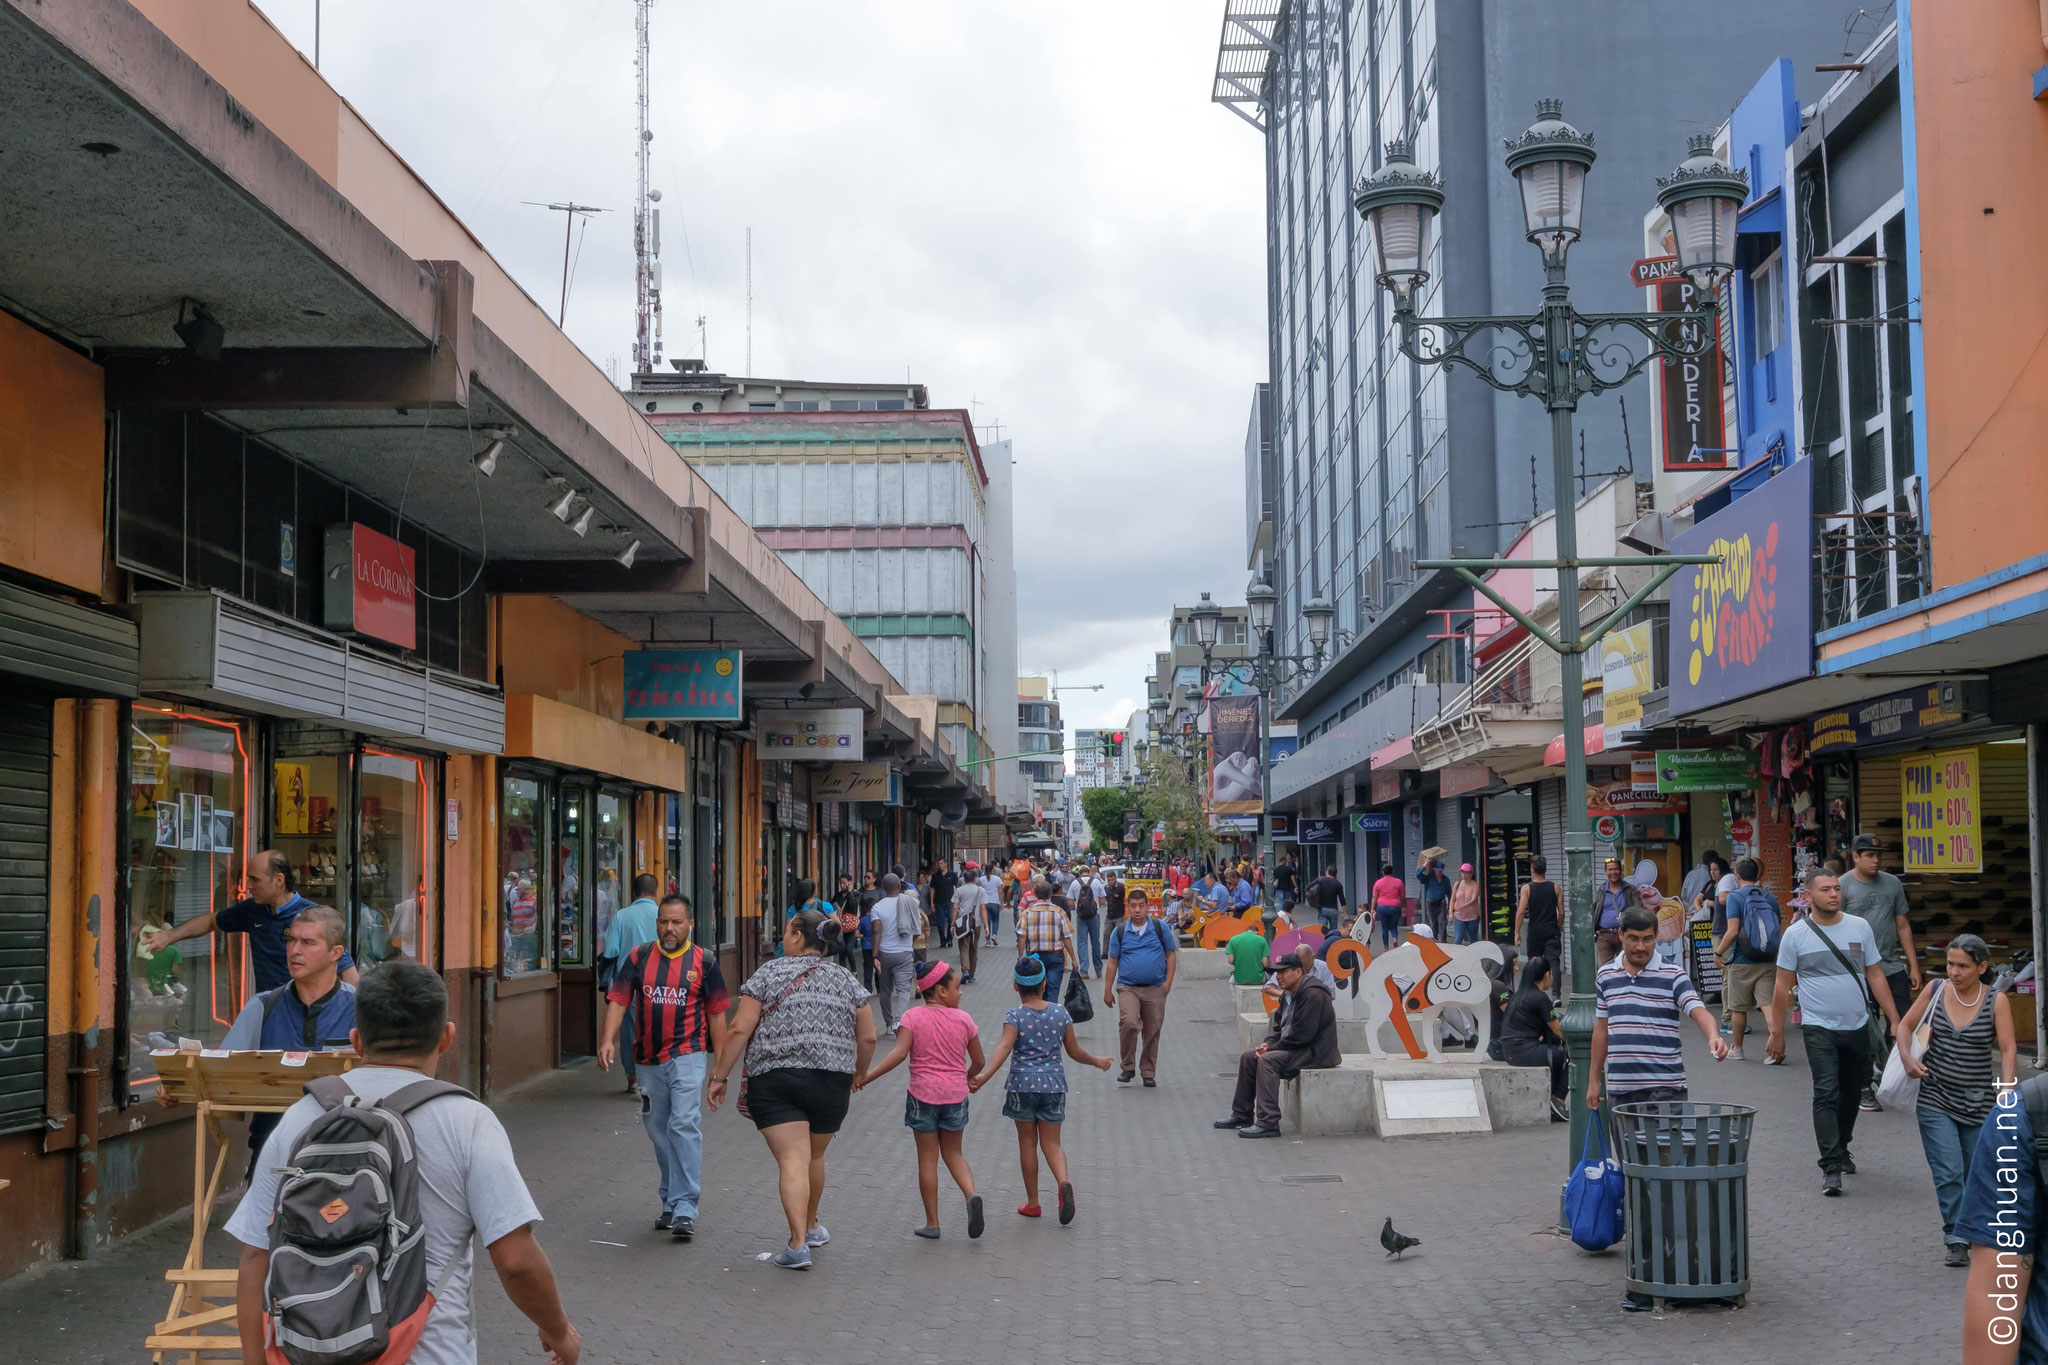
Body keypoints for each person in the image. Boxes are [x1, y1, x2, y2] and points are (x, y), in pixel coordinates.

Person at [228, 960, 580, 1365]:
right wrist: (558, 1331)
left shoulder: (303, 1116)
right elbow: (516, 1260)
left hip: (311, 1351)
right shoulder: (468, 1121)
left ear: (356, 1040)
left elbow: (256, 1257)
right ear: (446, 1038)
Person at [707, 909, 876, 1270]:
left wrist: (720, 1076)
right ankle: (812, 1227)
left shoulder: (768, 972)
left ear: (798, 936)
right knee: (814, 1156)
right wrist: (859, 1072)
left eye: (786, 931)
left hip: (776, 1080)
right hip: (831, 1080)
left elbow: (739, 1029)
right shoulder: (845, 978)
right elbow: (869, 1035)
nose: (783, 937)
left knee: (791, 1159)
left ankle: (797, 1244)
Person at [597, 893, 729, 1240]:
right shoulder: (639, 957)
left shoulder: (706, 962)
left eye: (676, 922)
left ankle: (685, 1206)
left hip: (688, 1056)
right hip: (647, 1061)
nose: (669, 928)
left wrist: (721, 1069)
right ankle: (670, 1200)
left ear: (690, 924)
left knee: (684, 1124)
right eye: (664, 922)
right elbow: (619, 1000)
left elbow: (717, 1015)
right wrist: (607, 1039)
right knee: (659, 1130)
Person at [1764, 869, 1902, 1196]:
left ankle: (1842, 1144)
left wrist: (1896, 1019)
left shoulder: (1859, 927)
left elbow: (1875, 974)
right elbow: (1783, 986)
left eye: (1837, 889)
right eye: (1825, 889)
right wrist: (1777, 1032)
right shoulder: (1795, 935)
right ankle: (1831, 1165)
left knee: (1853, 1092)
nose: (1834, 894)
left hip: (1857, 1025)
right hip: (1817, 1027)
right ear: (1809, 896)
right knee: (1826, 1092)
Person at [1896, 933, 2016, 1266]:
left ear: (1982, 967)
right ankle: (1956, 1237)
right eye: (1950, 964)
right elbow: (1905, 1027)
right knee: (1948, 1171)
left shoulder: (1997, 1001)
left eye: (1963, 966)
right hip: (1935, 1098)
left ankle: (1977, 1230)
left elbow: (2008, 1050)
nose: (1954, 972)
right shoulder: (1935, 991)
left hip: (1979, 1103)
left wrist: (2006, 1091)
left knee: (1976, 1172)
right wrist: (1907, 1058)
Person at [974, 954, 1111, 1223]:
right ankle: (1063, 1182)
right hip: (1053, 1085)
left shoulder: (1015, 1016)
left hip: (1022, 1086)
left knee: (1027, 1143)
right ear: (1045, 983)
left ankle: (1034, 1203)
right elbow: (1073, 1051)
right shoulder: (1061, 1013)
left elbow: (1003, 1049)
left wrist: (984, 1076)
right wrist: (1097, 1061)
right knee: (1052, 1143)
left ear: (1016, 985)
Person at [220, 904, 356, 1173]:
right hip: (271, 1154)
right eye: (291, 940)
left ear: (336, 954)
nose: (294, 950)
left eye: (308, 942)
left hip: (344, 1157)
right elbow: (222, 1079)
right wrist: (179, 1089)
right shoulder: (262, 1006)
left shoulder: (362, 1009)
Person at [859, 961, 986, 1240]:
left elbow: (898, 1054)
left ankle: (932, 1223)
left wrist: (867, 1076)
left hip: (922, 1096)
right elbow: (979, 1061)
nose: (960, 994)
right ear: (940, 991)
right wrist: (968, 1077)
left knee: (927, 1159)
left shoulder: (912, 1017)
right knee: (954, 1154)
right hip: (955, 1095)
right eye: (956, 988)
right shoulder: (964, 1020)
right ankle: (970, 1194)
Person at [143, 849, 358, 993]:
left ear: (279, 880)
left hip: (310, 1014)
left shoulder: (315, 917)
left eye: (254, 879)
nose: (247, 885)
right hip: (270, 1011)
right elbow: (211, 921)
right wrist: (169, 936)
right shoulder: (252, 910)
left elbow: (348, 973)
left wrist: (348, 1020)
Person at [1588, 905, 1728, 1121]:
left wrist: (1714, 1036)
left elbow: (1697, 1009)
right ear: (1620, 935)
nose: (1641, 947)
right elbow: (1602, 1029)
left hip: (1665, 1091)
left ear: (1656, 937)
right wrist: (1594, 1080)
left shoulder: (1673, 974)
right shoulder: (1605, 975)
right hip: (1620, 1091)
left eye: (1648, 939)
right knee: (1626, 1156)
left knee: (1662, 1155)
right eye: (1633, 939)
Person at [1214, 951, 1339, 1138]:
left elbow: (1303, 1035)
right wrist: (1266, 1044)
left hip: (1316, 1052)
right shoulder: (1288, 995)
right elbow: (1278, 1028)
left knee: (1268, 1060)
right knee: (1249, 1057)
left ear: (1298, 972)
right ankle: (1242, 1114)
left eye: (1283, 972)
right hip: (1297, 1048)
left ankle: (1268, 1121)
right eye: (1276, 973)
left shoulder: (1313, 995)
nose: (1278, 977)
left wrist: (1271, 1049)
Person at [1841, 833, 1922, 1112]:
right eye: (1869, 855)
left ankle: (1888, 1071)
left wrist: (1913, 964)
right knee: (1863, 1029)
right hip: (1857, 972)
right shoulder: (1842, 887)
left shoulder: (1893, 884)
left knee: (1901, 1024)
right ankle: (1864, 1086)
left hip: (1890, 967)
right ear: (1855, 857)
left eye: (1878, 855)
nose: (1876, 860)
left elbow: (1902, 926)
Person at [1103, 888, 1178, 1087]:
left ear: (1147, 907)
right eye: (1133, 906)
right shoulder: (1119, 932)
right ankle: (1127, 1066)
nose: (1137, 910)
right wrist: (1107, 989)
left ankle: (1148, 1071)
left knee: (1152, 1030)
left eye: (1141, 906)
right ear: (1128, 908)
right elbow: (1112, 961)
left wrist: (1168, 983)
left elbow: (1171, 954)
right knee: (1128, 1023)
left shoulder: (1160, 927)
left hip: (1156, 988)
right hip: (1128, 987)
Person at [1711, 857, 1779, 1062]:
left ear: (1737, 875)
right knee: (1767, 1004)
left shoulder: (1735, 897)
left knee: (1738, 1007)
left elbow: (1732, 931)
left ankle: (1737, 1049)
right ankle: (1777, 1046)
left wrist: (1717, 952)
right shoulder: (1770, 897)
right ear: (1758, 875)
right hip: (1767, 958)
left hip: (1742, 959)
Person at [602, 873, 663, 1095]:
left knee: (630, 1029)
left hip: (629, 981)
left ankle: (633, 1076)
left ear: (634, 892)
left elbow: (610, 951)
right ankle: (658, 1072)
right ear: (656, 892)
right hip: (661, 979)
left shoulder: (621, 916)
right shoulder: (663, 915)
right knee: (659, 1023)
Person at [1500, 955, 1567, 1121]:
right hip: (1523, 1052)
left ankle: (1552, 1097)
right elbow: (1558, 1031)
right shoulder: (1540, 998)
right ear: (1547, 975)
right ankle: (1558, 1100)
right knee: (1565, 1055)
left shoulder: (1518, 996)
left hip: (1510, 1051)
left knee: (1553, 1051)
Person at [1016, 876, 1077, 1007]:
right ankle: (1052, 1018)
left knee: (1037, 991)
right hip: (1055, 957)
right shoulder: (1059, 912)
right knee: (1053, 991)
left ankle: (1038, 1017)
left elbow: (1021, 937)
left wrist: (1020, 956)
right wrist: (1073, 959)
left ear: (1036, 894)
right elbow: (1066, 937)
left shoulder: (1027, 913)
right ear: (1050, 894)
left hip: (1034, 958)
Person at [871, 873, 920, 1034]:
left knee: (885, 990)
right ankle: (899, 1022)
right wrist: (908, 946)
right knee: (904, 990)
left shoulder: (877, 907)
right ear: (899, 887)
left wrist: (875, 955)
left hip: (884, 953)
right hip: (904, 953)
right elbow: (916, 929)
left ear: (883, 888)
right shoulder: (911, 903)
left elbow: (876, 931)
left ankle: (888, 1024)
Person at [1514, 857, 1560, 995]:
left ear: (1532, 870)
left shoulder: (1527, 888)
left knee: (1533, 961)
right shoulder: (1555, 887)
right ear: (1546, 870)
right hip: (1552, 929)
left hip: (1535, 931)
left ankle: (1533, 991)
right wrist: (1559, 926)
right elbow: (1562, 911)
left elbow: (1521, 911)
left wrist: (1517, 932)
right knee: (1553, 963)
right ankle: (1556, 994)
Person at [952, 868, 987, 984]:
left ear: (964, 879)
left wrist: (953, 923)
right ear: (975, 879)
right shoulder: (980, 890)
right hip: (975, 922)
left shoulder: (959, 890)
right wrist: (986, 926)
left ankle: (965, 971)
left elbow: (955, 907)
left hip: (962, 922)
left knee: (963, 947)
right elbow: (983, 909)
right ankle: (972, 974)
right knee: (974, 947)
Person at [1071, 865, 1106, 980]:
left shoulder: (1075, 883)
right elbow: (1102, 901)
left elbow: (1070, 902)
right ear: (1089, 872)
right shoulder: (1096, 882)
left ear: (1080, 873)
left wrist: (1079, 905)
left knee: (1082, 943)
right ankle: (1098, 970)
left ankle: (1084, 971)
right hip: (1094, 916)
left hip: (1080, 917)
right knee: (1095, 942)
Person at [1370, 862, 1406, 953]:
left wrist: (1372, 908)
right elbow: (1403, 896)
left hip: (1382, 907)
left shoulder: (1378, 883)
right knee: (1393, 926)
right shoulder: (1399, 882)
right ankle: (1395, 938)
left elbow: (1374, 897)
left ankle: (1386, 947)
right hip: (1395, 907)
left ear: (1383, 872)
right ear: (1392, 872)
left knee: (1384, 927)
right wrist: (1404, 906)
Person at [1304, 863, 1348, 938]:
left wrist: (1313, 897)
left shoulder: (1320, 880)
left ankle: (1323, 944)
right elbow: (1342, 900)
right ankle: (1332, 944)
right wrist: (1345, 914)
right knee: (1333, 931)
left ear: (1327, 872)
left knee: (1321, 930)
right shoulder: (1338, 884)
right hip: (1333, 910)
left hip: (1322, 908)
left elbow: (1308, 887)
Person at [1226, 917, 1270, 986]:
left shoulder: (1233, 939)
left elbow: (1230, 961)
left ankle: (1234, 997)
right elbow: (1265, 963)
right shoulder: (1262, 940)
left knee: (1231, 981)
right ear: (1256, 932)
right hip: (1258, 979)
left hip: (1239, 979)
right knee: (1269, 977)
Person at [1449, 863, 1482, 945]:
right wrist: (1450, 912)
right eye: (1462, 872)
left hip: (1472, 916)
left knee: (1473, 938)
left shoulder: (1475, 885)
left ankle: (1474, 955)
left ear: (1471, 873)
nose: (1464, 874)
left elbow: (1474, 899)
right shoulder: (1457, 884)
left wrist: (1462, 906)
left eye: (1466, 872)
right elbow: (1452, 899)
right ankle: (1457, 956)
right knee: (1458, 938)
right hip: (1459, 916)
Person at [1419, 858, 1452, 940]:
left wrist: (1450, 908)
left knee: (1442, 923)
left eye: (1441, 871)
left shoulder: (1445, 879)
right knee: (1433, 923)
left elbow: (1449, 893)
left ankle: (1443, 942)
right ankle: (1434, 941)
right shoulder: (1428, 878)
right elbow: (1418, 875)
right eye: (1438, 871)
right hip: (1430, 903)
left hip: (1441, 903)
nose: (1439, 873)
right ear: (1434, 870)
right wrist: (1424, 865)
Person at [932, 860, 959, 949]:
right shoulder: (936, 876)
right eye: (938, 864)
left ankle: (950, 938)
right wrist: (932, 902)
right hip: (939, 902)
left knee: (951, 920)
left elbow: (957, 888)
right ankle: (942, 940)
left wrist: (957, 901)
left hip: (950, 901)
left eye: (941, 863)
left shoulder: (952, 875)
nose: (940, 865)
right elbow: (932, 889)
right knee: (940, 922)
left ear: (946, 864)